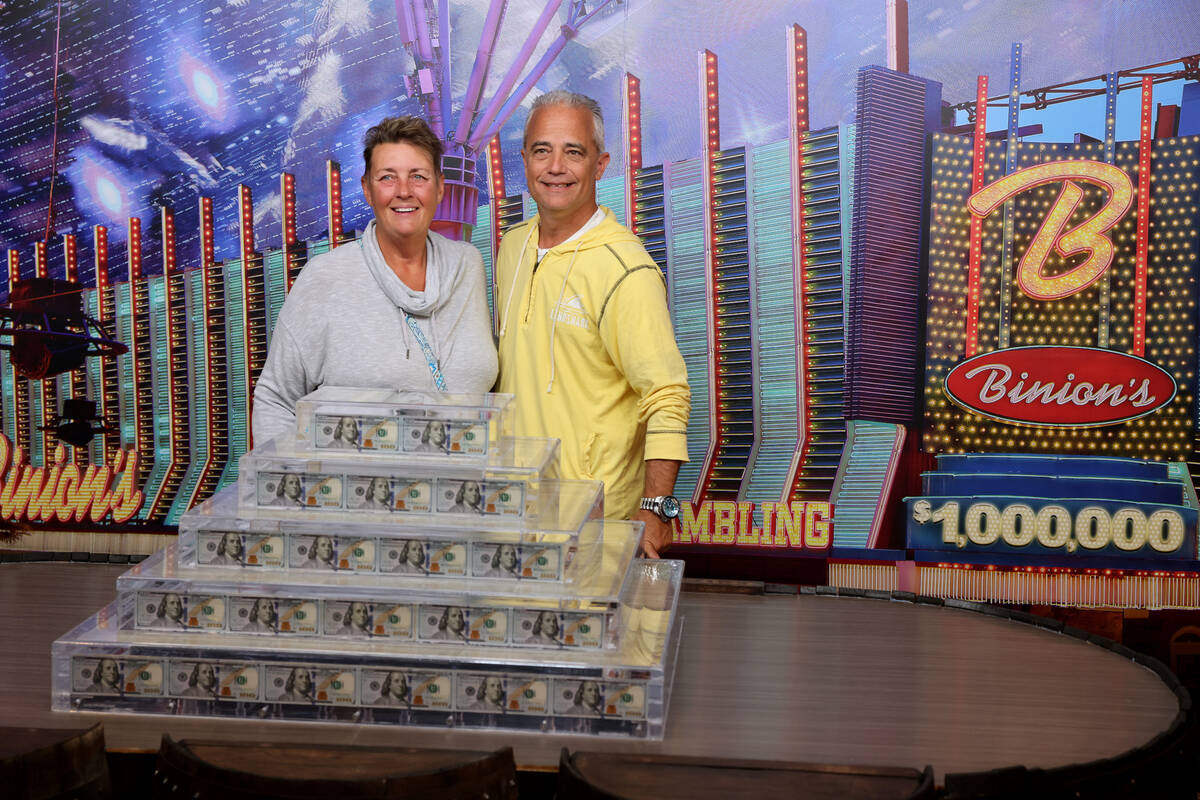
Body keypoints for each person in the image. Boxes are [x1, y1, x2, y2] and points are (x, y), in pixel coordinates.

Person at [494, 91, 690, 558]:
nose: (556, 167)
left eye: (574, 152)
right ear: (525, 161)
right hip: (512, 514)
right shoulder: (511, 248)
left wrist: (657, 507)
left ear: (600, 165)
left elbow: (666, 394)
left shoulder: (627, 269)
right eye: (543, 150)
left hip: (594, 526)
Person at [252, 116, 498, 445]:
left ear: (440, 187)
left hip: (458, 487)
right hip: (354, 490)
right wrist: (289, 486)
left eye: (418, 177)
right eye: (387, 178)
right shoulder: (326, 276)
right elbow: (276, 400)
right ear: (368, 189)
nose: (404, 191)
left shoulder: (468, 265)